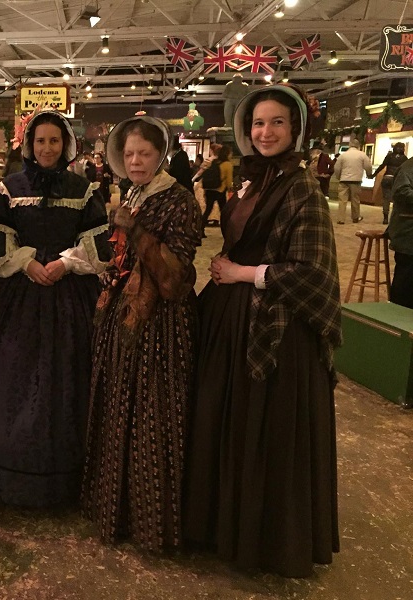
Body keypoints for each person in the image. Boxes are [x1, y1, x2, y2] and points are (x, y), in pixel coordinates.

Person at [184, 84, 342, 578]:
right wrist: (225, 266)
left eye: (276, 122)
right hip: (232, 319)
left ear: (294, 128)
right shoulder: (253, 180)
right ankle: (223, 527)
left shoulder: (301, 187)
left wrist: (242, 272)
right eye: (257, 123)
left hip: (275, 331)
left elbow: (312, 274)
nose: (265, 132)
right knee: (228, 422)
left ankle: (265, 542)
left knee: (262, 430)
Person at [0, 110, 111, 507]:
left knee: (69, 374)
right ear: (29, 145)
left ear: (66, 145)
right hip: (19, 296)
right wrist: (27, 263)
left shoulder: (84, 188)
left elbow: (98, 246)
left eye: (54, 141)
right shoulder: (10, 188)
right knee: (13, 374)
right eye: (40, 141)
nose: (47, 148)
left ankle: (72, 474)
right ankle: (7, 472)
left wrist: (63, 263)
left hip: (69, 293)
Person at [81, 115, 201, 551]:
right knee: (121, 410)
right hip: (127, 317)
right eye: (129, 153)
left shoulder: (180, 200)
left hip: (161, 328)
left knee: (152, 414)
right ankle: (118, 511)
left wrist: (135, 230)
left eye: (144, 154)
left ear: (160, 155)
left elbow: (175, 280)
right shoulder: (133, 192)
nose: (135, 160)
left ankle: (151, 523)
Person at [388, 156, 413, 308]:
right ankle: (397, 314)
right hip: (407, 231)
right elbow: (400, 191)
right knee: (406, 279)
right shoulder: (408, 167)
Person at [334, 138, 371, 224]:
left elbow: (337, 167)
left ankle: (341, 219)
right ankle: (355, 217)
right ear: (358, 145)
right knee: (355, 200)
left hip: (344, 180)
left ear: (350, 145)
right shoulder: (362, 155)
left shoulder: (343, 155)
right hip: (356, 180)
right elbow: (368, 166)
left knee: (342, 200)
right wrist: (369, 174)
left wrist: (339, 177)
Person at [372, 142, 407, 224]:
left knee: (386, 199)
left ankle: (385, 218)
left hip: (387, 178)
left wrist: (373, 175)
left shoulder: (389, 156)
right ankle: (395, 218)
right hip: (397, 180)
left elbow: (382, 166)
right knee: (397, 199)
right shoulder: (404, 158)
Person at [200, 144, 234, 227]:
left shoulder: (215, 162)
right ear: (227, 153)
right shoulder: (228, 164)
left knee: (208, 210)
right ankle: (226, 228)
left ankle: (201, 228)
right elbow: (229, 181)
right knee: (223, 211)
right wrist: (231, 189)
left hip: (210, 189)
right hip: (220, 190)